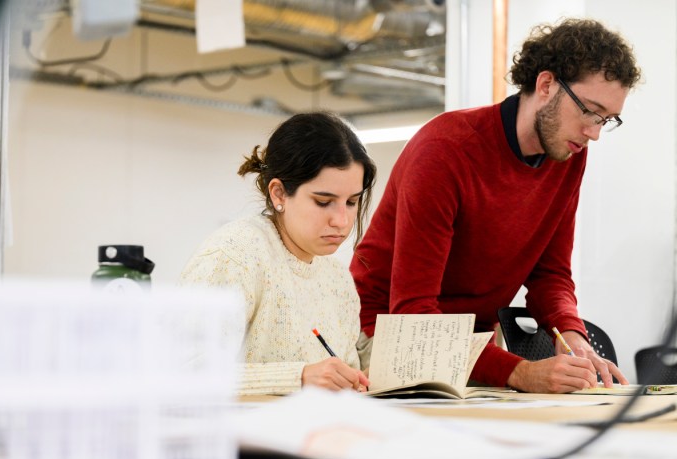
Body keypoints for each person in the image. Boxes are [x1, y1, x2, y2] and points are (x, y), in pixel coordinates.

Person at [350, 18, 641, 393]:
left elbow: (550, 274)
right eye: (588, 110)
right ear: (547, 85)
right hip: (388, 336)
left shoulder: (567, 156)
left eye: (607, 119)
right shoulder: (446, 152)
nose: (594, 133)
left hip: (470, 343)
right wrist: (519, 372)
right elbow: (414, 316)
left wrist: (573, 338)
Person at [180, 111, 375, 395]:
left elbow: (339, 377)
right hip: (240, 436)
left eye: (351, 202)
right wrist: (298, 377)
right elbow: (181, 371)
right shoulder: (234, 255)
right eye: (323, 202)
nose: (342, 221)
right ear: (279, 194)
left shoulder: (337, 277)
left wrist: (356, 382)